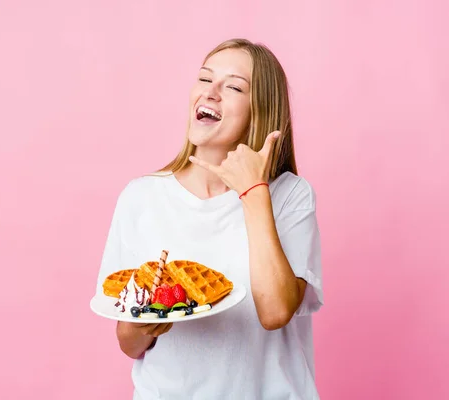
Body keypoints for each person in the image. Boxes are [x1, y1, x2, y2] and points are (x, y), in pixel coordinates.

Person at [95, 38, 324, 400]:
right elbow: (129, 342)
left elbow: (276, 311)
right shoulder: (142, 197)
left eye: (233, 86)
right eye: (204, 79)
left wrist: (253, 191)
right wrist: (153, 321)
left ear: (260, 110)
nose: (211, 92)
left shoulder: (290, 195)